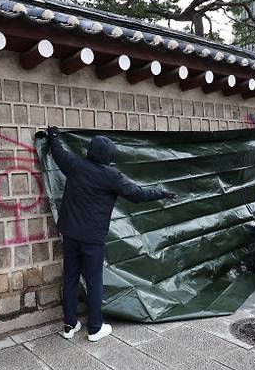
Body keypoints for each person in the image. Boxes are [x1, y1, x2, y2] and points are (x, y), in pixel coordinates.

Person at [39, 126, 175, 342]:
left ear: (90, 151)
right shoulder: (111, 176)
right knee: (94, 281)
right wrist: (161, 193)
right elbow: (137, 194)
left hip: (70, 234)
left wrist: (53, 136)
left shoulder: (76, 166)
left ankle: (69, 325)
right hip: (92, 239)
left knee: (70, 278)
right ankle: (94, 328)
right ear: (109, 156)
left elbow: (58, 154)